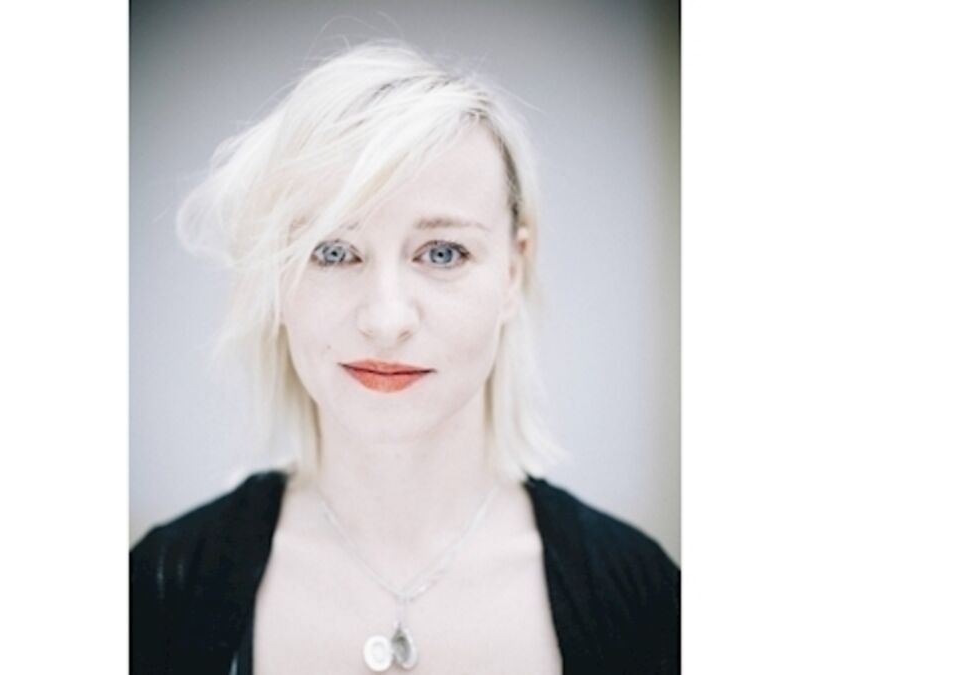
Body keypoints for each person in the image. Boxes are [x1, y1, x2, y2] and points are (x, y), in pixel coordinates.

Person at [131, 41, 680, 674]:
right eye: (333, 251)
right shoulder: (158, 592)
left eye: (442, 253)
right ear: (276, 280)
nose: (385, 320)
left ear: (512, 272)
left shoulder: (644, 600)